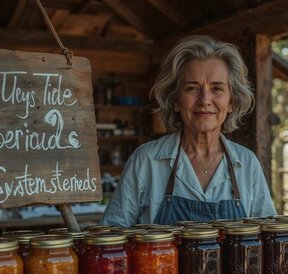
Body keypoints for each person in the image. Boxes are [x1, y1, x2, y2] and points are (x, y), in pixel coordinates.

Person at [101, 35, 277, 227]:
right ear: (175, 100)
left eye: (217, 89)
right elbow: (112, 238)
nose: (204, 100)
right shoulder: (146, 161)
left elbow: (268, 239)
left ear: (231, 102)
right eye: (192, 88)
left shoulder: (247, 164)